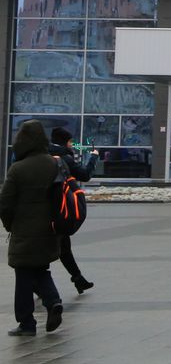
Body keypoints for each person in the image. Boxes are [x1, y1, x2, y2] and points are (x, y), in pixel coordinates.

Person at [0, 120, 63, 337]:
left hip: (24, 230)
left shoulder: (17, 169)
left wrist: (10, 225)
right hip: (49, 229)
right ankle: (53, 301)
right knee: (40, 269)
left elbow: (5, 203)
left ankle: (27, 323)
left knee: (24, 274)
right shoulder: (54, 164)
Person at [48, 127, 97, 294]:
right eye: (69, 141)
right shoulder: (65, 158)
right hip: (59, 209)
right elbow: (84, 175)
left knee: (61, 246)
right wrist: (93, 158)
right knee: (58, 247)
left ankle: (78, 279)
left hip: (42, 209)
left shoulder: (42, 155)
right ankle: (43, 287)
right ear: (64, 142)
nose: (71, 144)